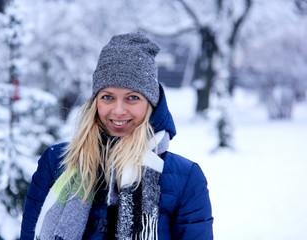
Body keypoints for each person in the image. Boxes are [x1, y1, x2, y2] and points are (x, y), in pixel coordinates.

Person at [20, 31, 213, 240]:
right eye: (108, 97)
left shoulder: (186, 178)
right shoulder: (56, 162)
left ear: (151, 103)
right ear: (95, 102)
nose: (118, 110)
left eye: (132, 97)